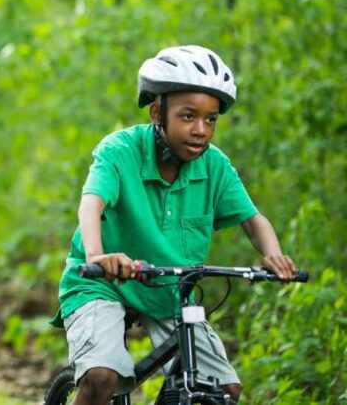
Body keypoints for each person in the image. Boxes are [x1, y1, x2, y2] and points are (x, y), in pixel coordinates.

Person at [51, 45, 297, 405]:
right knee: (102, 377)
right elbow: (92, 204)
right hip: (102, 283)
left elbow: (252, 219)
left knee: (223, 389)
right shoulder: (119, 150)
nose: (200, 130)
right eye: (188, 116)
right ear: (157, 112)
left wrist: (273, 255)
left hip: (169, 292)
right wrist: (98, 255)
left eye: (210, 119)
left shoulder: (214, 166)